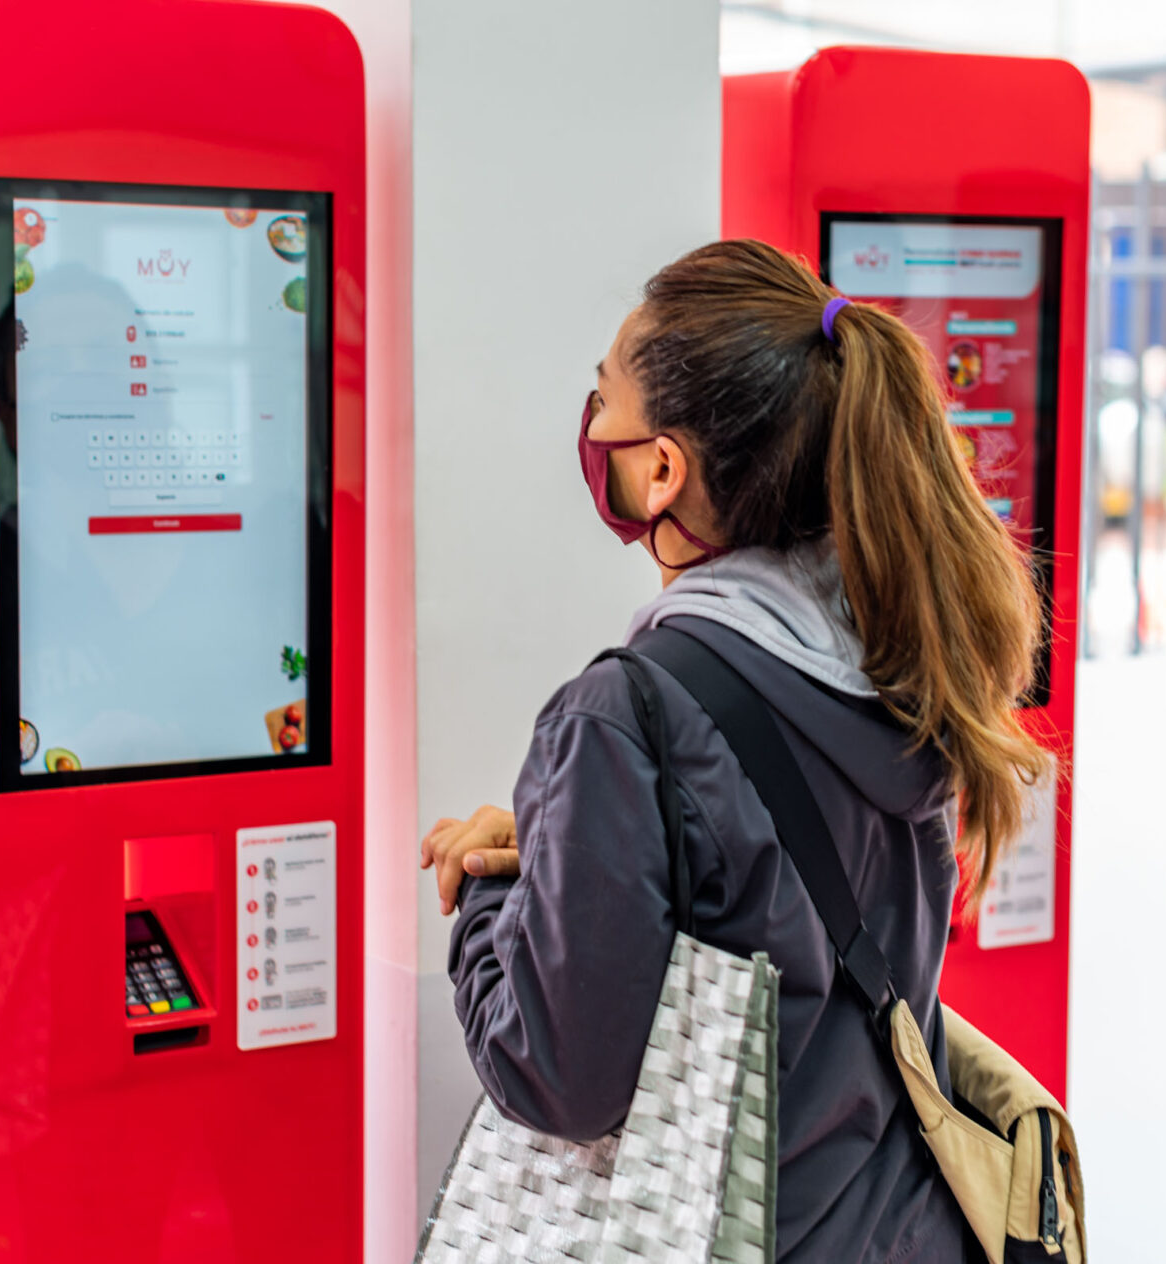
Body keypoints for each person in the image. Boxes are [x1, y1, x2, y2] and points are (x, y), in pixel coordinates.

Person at [421, 239, 1050, 1264]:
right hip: (905, 1229)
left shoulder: (626, 717)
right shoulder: (902, 652)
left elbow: (559, 1077)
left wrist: (489, 901)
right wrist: (550, 855)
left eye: (603, 399)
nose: (591, 428)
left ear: (662, 467)